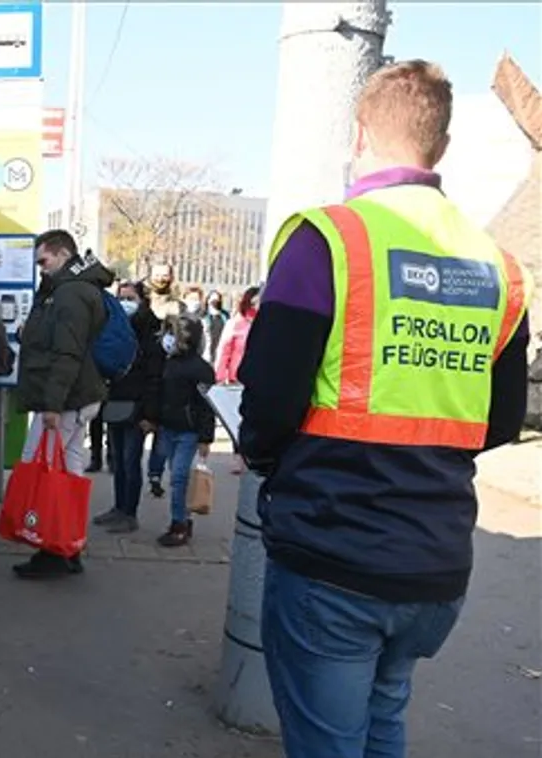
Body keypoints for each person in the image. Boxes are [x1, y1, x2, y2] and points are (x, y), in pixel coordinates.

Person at [238, 60, 532, 758]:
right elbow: (498, 421)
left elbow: (269, 403)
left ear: (360, 132)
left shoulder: (327, 241)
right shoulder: (496, 265)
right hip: (433, 564)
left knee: (327, 744)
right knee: (380, 725)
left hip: (332, 554)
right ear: (442, 146)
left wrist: (265, 453)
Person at [11, 230, 114, 579]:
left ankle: (51, 549)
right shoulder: (73, 289)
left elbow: (67, 353)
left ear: (63, 254)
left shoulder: (69, 294)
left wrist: (52, 404)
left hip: (64, 399)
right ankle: (69, 543)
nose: (41, 269)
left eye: (45, 261)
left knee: (42, 470)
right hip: (80, 394)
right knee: (68, 473)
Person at [91, 280, 163, 534]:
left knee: (131, 462)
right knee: (119, 461)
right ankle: (119, 507)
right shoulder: (116, 327)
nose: (125, 303)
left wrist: (149, 414)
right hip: (116, 400)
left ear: (143, 300)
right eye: (121, 297)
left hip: (137, 406)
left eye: (130, 298)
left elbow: (155, 378)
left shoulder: (151, 333)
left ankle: (129, 513)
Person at [151, 317, 215, 547]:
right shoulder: (170, 363)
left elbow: (207, 407)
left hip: (188, 431)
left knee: (179, 477)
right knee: (177, 477)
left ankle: (180, 523)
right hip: (169, 427)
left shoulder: (200, 369)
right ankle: (181, 520)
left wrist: (206, 437)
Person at [143, 263, 183, 498]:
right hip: (145, 369)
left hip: (168, 370)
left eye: (165, 275)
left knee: (163, 428)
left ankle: (155, 473)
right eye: (157, 275)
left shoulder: (177, 306)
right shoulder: (143, 301)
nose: (161, 278)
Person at [215, 285, 259, 474]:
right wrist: (220, 375)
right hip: (236, 378)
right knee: (237, 419)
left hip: (258, 378)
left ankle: (251, 452)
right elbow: (224, 349)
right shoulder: (237, 323)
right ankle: (238, 455)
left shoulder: (267, 322)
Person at [201, 290, 229, 364]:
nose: (214, 303)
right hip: (207, 346)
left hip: (220, 343)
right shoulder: (203, 315)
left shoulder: (224, 315)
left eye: (216, 300)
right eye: (212, 300)